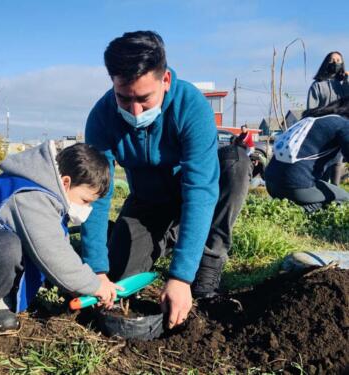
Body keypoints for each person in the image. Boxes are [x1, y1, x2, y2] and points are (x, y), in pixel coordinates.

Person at [81, 31, 251, 329]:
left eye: (144, 99)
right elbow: (97, 193)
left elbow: (200, 190)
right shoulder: (102, 117)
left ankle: (207, 265)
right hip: (149, 202)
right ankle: (167, 236)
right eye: (124, 97)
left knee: (235, 164)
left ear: (166, 81)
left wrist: (181, 276)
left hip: (191, 194)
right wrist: (96, 268)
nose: (134, 111)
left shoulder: (191, 106)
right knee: (119, 276)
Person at [0, 142, 122, 330]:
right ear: (66, 183)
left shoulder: (49, 192)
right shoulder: (31, 194)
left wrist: (75, 287)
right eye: (85, 200)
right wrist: (94, 285)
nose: (86, 208)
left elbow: (58, 243)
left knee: (14, 245)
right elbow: (50, 251)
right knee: (6, 246)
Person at [265, 97, 349, 212]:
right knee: (344, 197)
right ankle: (299, 212)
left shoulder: (314, 118)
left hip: (270, 183)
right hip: (293, 186)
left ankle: (290, 206)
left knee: (324, 188)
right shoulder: (343, 125)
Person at [307, 52, 349, 186]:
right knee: (322, 165)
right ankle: (320, 194)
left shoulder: (343, 85)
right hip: (322, 132)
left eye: (338, 60)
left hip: (340, 130)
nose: (336, 63)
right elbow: (310, 112)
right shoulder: (317, 85)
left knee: (337, 161)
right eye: (332, 60)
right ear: (326, 63)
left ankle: (335, 198)